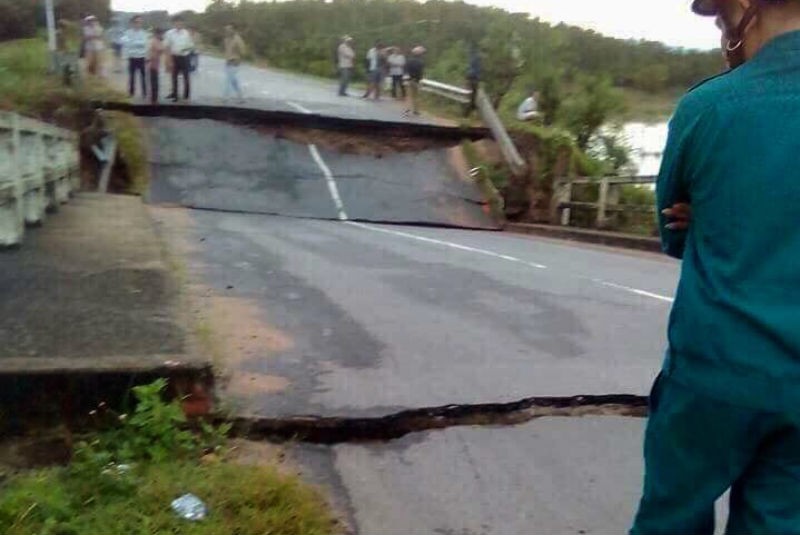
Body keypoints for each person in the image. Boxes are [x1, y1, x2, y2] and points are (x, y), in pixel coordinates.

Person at [630, 1, 800, 533]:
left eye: (723, 18)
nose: (724, 34)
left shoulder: (710, 106)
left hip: (714, 372)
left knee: (671, 518)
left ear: (747, 7)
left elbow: (673, 237)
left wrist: (711, 215)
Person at [164, 16, 194, 102]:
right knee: (174, 77)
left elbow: (191, 46)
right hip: (174, 57)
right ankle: (175, 95)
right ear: (174, 23)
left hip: (184, 57)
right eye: (177, 22)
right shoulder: (169, 33)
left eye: (180, 22)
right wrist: (168, 60)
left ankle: (186, 96)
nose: (178, 24)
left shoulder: (186, 33)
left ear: (182, 23)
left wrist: (185, 49)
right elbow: (167, 46)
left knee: (186, 77)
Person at [123, 15, 149, 99]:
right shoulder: (127, 33)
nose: (138, 24)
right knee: (132, 77)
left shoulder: (144, 33)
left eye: (140, 22)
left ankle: (144, 93)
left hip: (141, 57)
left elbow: (145, 44)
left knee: (143, 76)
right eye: (136, 22)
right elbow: (126, 44)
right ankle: (131, 92)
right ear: (133, 23)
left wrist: (134, 43)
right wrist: (137, 43)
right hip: (132, 57)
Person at [223, 24, 246, 102]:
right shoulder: (226, 39)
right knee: (233, 81)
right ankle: (240, 97)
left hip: (234, 61)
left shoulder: (238, 39)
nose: (227, 31)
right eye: (226, 29)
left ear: (233, 30)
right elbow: (227, 50)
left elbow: (243, 51)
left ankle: (225, 97)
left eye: (229, 29)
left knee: (228, 80)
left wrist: (239, 60)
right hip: (228, 61)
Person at [405, 46, 425, 116]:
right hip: (416, 80)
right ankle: (416, 110)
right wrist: (420, 80)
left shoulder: (409, 61)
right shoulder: (420, 62)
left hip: (409, 80)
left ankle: (407, 109)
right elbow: (420, 73)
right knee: (416, 96)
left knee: (409, 95)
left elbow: (406, 70)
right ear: (420, 54)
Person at [147, 28, 166, 104]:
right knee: (154, 82)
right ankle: (154, 99)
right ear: (157, 34)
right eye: (160, 34)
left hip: (156, 63)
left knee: (154, 81)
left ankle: (154, 98)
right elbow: (160, 49)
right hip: (153, 63)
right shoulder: (154, 41)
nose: (161, 35)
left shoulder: (157, 40)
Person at [465, 45, 481, 116]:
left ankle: (468, 111)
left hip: (471, 78)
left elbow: (472, 69)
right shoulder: (476, 59)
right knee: (472, 96)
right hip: (474, 79)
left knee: (470, 95)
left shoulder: (472, 58)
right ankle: (469, 111)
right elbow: (476, 70)